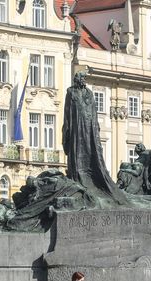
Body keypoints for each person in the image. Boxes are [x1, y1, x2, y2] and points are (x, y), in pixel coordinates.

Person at [62, 71, 127, 204]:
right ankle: (79, 175)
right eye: (82, 78)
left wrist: (95, 128)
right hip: (77, 127)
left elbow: (94, 112)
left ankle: (91, 176)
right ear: (77, 79)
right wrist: (67, 131)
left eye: (84, 78)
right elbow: (67, 113)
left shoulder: (89, 93)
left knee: (90, 149)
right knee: (78, 150)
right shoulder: (71, 92)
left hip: (89, 126)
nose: (84, 80)